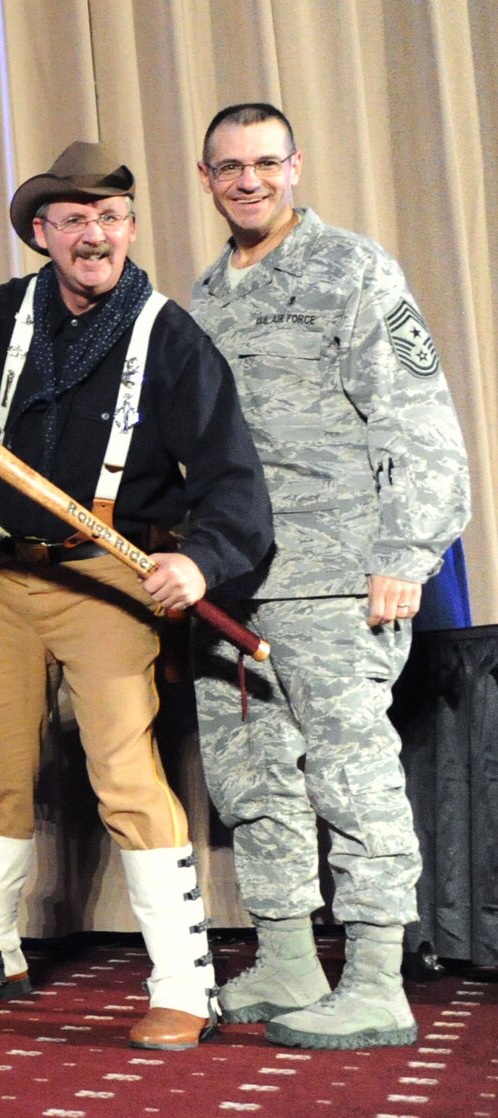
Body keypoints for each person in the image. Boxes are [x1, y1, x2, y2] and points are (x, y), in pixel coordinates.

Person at [0, 142, 273, 1050]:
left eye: (110, 218)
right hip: (10, 575)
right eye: (74, 220)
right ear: (44, 234)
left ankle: (183, 983)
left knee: (125, 776)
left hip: (106, 579)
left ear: (130, 229)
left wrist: (200, 564)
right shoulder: (8, 311)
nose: (94, 235)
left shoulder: (170, 336)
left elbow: (233, 480)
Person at [187, 103, 472, 1049]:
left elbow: (417, 415)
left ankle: (379, 981)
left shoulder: (353, 267)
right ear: (206, 178)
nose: (250, 181)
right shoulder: (205, 296)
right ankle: (286, 957)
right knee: (254, 781)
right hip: (231, 583)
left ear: (296, 166)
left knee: (352, 781)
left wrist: (405, 554)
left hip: (335, 575)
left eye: (267, 162)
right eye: (230, 167)